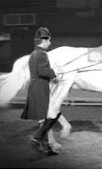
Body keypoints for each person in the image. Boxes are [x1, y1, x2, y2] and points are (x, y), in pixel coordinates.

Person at [21, 27, 62, 156]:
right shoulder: (42, 54)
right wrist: (54, 75)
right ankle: (37, 138)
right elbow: (43, 71)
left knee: (46, 117)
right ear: (44, 41)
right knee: (53, 114)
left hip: (35, 87)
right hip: (40, 88)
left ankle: (46, 148)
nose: (50, 43)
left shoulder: (34, 53)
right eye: (49, 40)